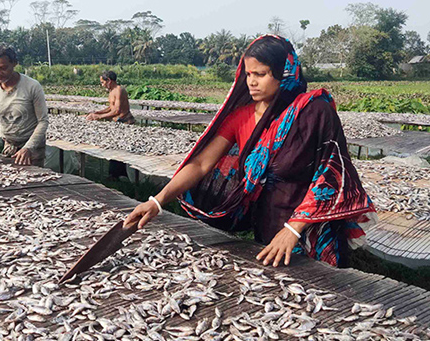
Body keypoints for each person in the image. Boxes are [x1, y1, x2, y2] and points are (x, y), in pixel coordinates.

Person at [124, 35, 378, 268]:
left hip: (313, 233)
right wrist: (157, 201)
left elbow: (333, 173)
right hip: (268, 230)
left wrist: (294, 229)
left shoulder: (314, 111)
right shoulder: (241, 117)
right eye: (248, 74)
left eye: (262, 73)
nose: (252, 82)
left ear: (285, 72)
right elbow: (201, 164)